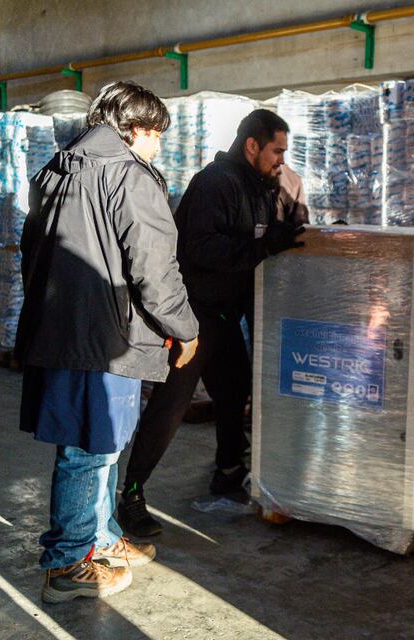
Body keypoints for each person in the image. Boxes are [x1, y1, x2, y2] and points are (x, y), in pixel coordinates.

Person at [16, 81, 200, 603]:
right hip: (103, 339)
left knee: (100, 444)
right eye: (156, 134)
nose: (158, 146)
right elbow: (155, 269)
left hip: (61, 331)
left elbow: (30, 251)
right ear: (135, 129)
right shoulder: (128, 177)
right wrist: (184, 328)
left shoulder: (56, 170)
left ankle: (102, 540)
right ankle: (68, 562)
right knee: (87, 450)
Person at [117, 109, 305, 537]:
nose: (281, 160)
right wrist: (262, 248)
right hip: (193, 315)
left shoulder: (262, 186)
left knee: (234, 389)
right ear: (252, 145)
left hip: (224, 314)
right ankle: (130, 493)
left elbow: (267, 233)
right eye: (276, 150)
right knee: (171, 405)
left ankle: (227, 470)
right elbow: (200, 249)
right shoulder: (215, 182)